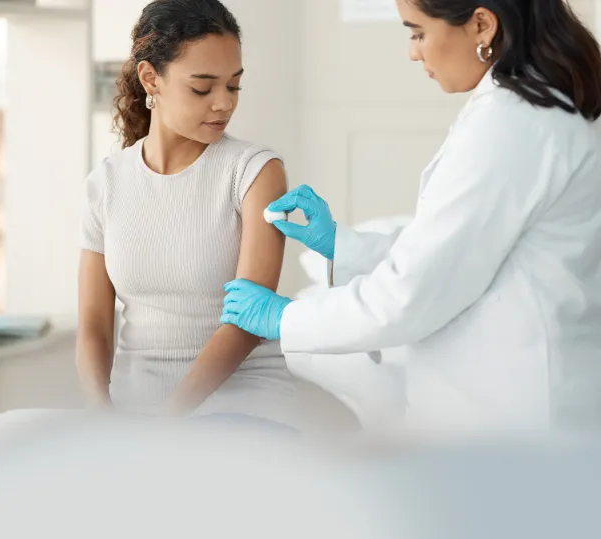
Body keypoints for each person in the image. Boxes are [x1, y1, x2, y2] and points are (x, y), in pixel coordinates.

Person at [220, 0, 601, 432]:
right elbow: (461, 246)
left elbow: (411, 295)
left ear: (481, 25)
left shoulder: (512, 124)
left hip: (513, 419)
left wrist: (284, 318)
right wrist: (342, 245)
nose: (412, 52)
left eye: (418, 32)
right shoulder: (540, 103)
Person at [77, 0, 355, 431]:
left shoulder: (254, 172)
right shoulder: (106, 184)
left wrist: (168, 420)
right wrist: (100, 419)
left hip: (242, 405)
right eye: (203, 88)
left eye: (234, 86)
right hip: (133, 410)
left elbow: (245, 323)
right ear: (151, 78)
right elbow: (94, 325)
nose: (224, 104)